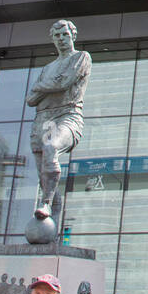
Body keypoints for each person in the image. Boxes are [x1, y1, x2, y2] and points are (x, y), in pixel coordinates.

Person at [26, 19, 91, 223]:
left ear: (73, 35)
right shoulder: (48, 68)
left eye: (65, 34)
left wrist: (42, 87)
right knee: (44, 176)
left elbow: (64, 83)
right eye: (57, 35)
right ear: (53, 39)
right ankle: (51, 220)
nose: (62, 39)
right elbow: (30, 99)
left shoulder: (81, 57)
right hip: (43, 120)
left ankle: (45, 203)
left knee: (52, 147)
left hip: (67, 115)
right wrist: (49, 85)